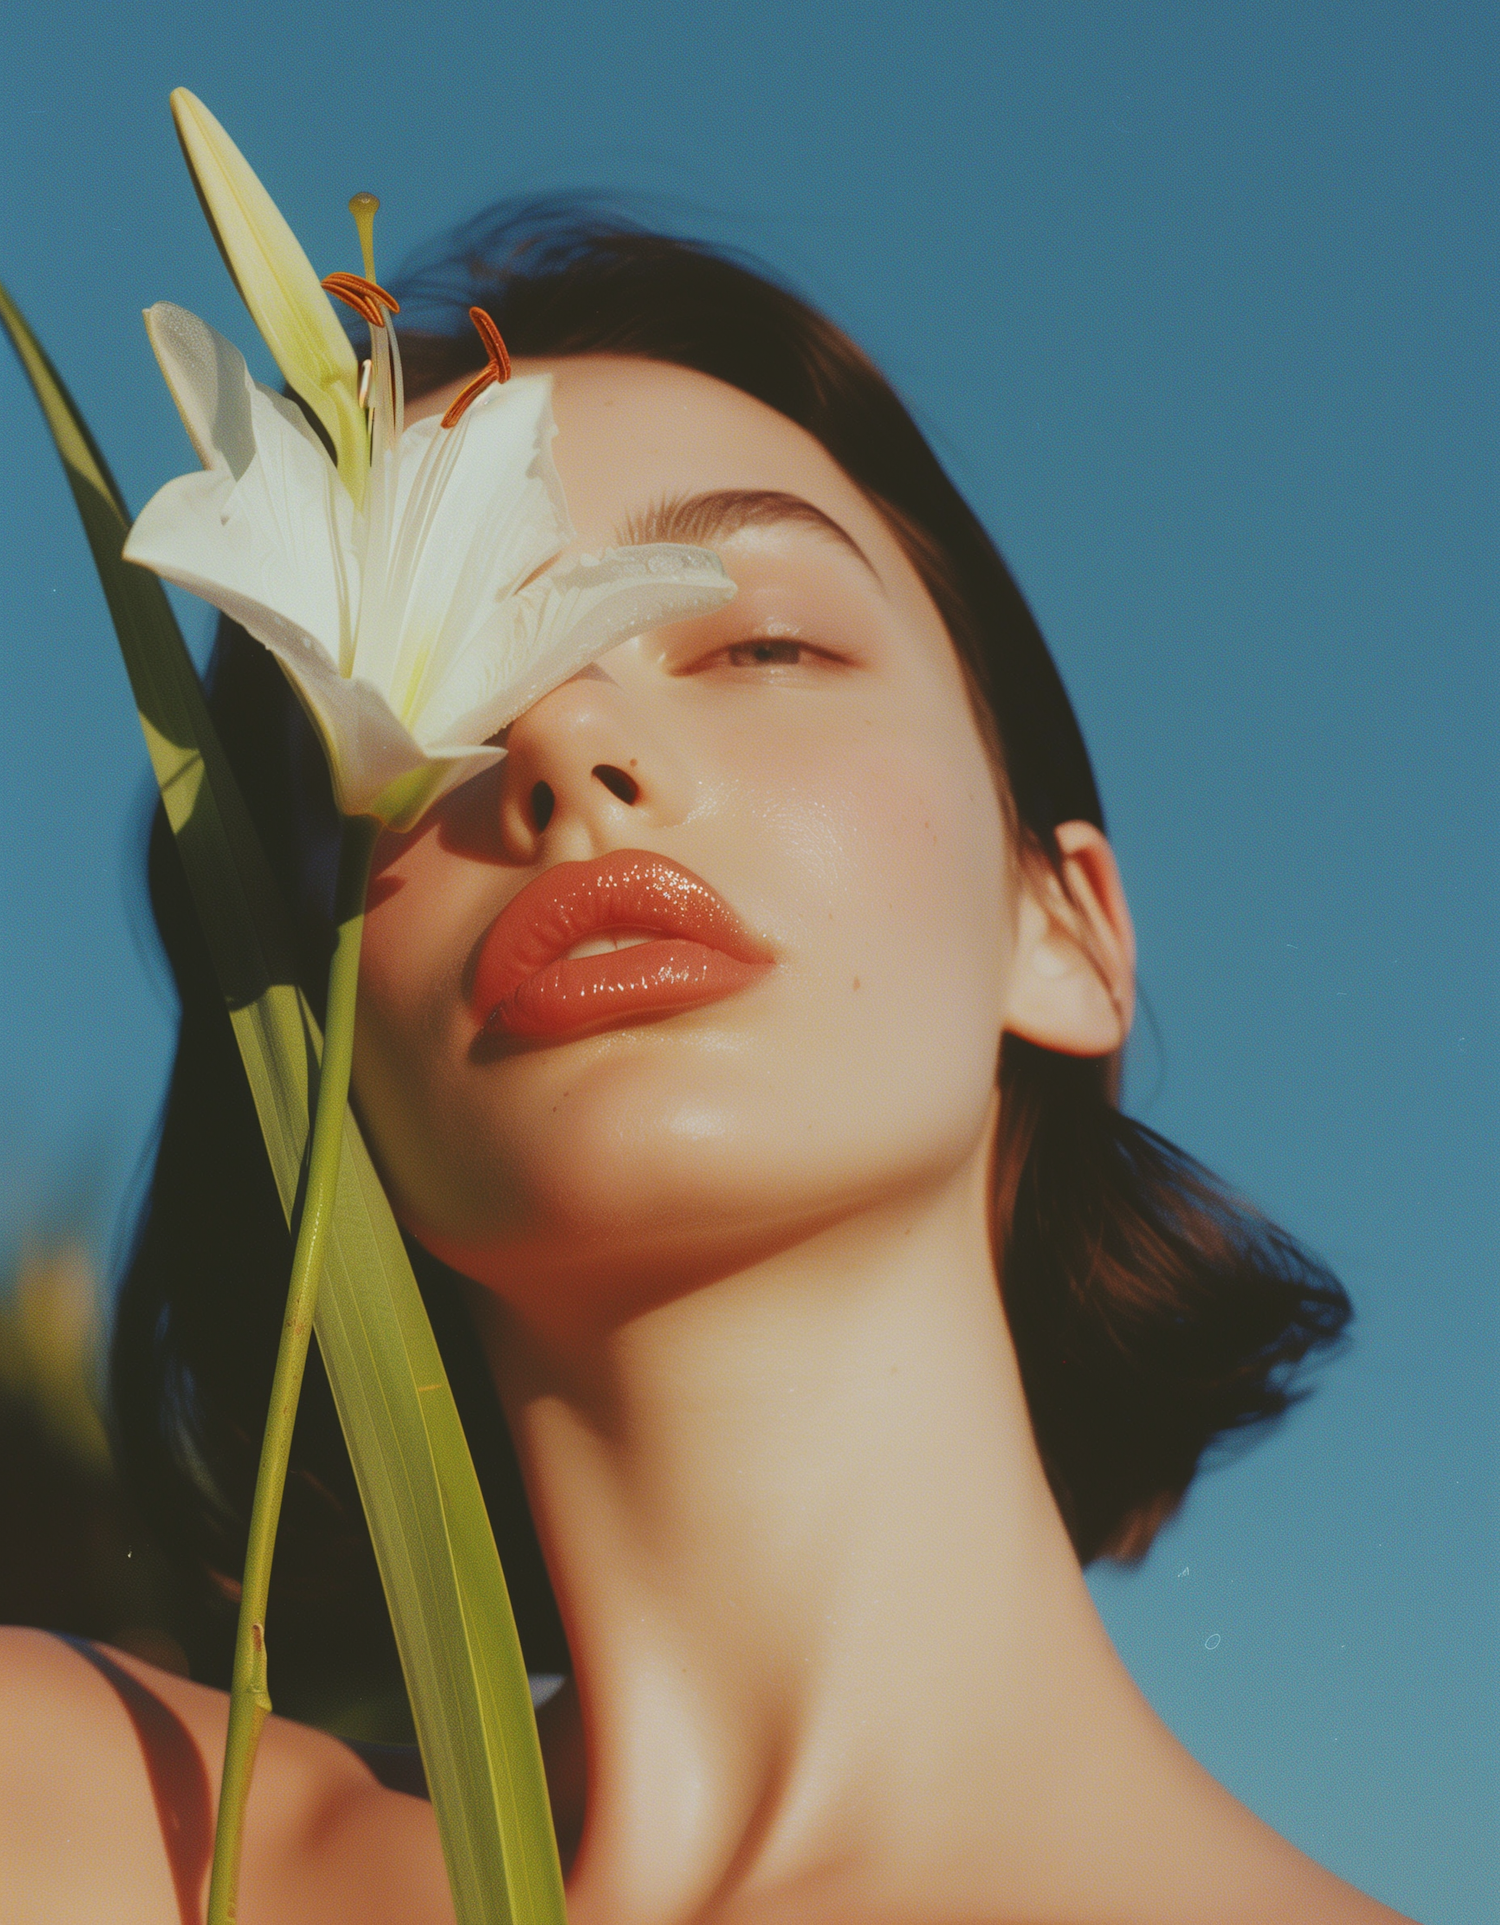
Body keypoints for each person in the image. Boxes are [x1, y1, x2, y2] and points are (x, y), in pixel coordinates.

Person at [0, 206, 1415, 1924]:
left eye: (759, 642)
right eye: (408, 709)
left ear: (1069, 928)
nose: (568, 738)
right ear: (307, 1015)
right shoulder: (76, 1829)